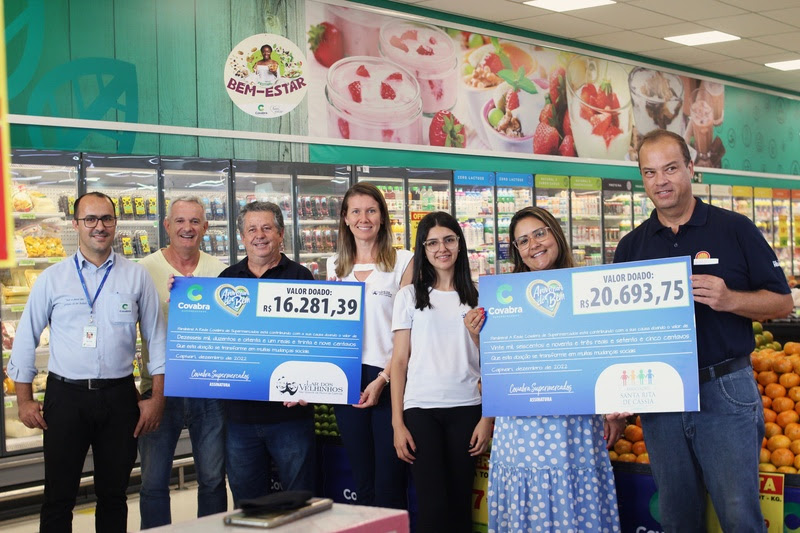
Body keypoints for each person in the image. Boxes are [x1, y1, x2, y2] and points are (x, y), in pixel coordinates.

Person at [613, 129, 793, 532]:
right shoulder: (631, 247)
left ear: (691, 170)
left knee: (738, 513)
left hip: (724, 389)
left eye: (671, 168)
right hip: (660, 396)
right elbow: (621, 331)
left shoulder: (734, 229)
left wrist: (732, 299)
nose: (661, 181)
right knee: (676, 515)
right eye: (650, 172)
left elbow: (782, 302)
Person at [7, 192, 167, 533]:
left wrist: (157, 399)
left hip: (119, 398)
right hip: (66, 398)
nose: (99, 227)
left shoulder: (135, 277)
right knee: (58, 496)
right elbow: (25, 339)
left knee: (114, 495)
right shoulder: (53, 278)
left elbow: (156, 339)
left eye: (107, 219)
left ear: (115, 223)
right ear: (76, 225)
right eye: (90, 219)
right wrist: (24, 399)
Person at [467, 206, 623, 532]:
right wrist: (478, 336)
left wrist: (614, 408)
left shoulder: (588, 287)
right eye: (523, 241)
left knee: (575, 504)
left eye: (540, 233)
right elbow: (498, 370)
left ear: (556, 234)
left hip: (574, 428)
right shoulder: (503, 298)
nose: (533, 245)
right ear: (516, 250)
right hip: (522, 430)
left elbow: (605, 350)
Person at [390, 211, 493, 532]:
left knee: (461, 505)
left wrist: (487, 418)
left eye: (448, 240)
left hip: (467, 410)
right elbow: (399, 361)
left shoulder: (479, 296)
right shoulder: (409, 296)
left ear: (460, 245)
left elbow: (494, 362)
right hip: (421, 410)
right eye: (432, 243)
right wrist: (397, 423)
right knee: (432, 506)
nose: (441, 248)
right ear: (423, 249)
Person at [137, 196, 228, 528]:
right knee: (153, 483)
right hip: (159, 392)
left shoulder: (221, 271)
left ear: (205, 227)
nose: (187, 228)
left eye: (194, 222)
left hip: (210, 388)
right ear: (167, 226)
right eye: (179, 221)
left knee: (214, 479)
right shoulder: (144, 271)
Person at [219, 201, 316, 506]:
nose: (259, 235)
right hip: (240, 418)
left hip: (290, 416)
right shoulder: (226, 280)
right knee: (247, 505)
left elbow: (313, 342)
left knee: (299, 502)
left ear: (280, 234)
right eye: (251, 229)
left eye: (266, 228)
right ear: (242, 237)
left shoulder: (301, 277)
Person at [326, 182, 413, 509]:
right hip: (345, 379)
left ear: (382, 216)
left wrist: (382, 379)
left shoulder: (403, 262)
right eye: (356, 211)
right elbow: (327, 332)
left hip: (389, 377)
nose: (364, 218)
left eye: (371, 210)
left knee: (390, 481)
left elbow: (407, 332)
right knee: (362, 481)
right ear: (345, 219)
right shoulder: (335, 266)